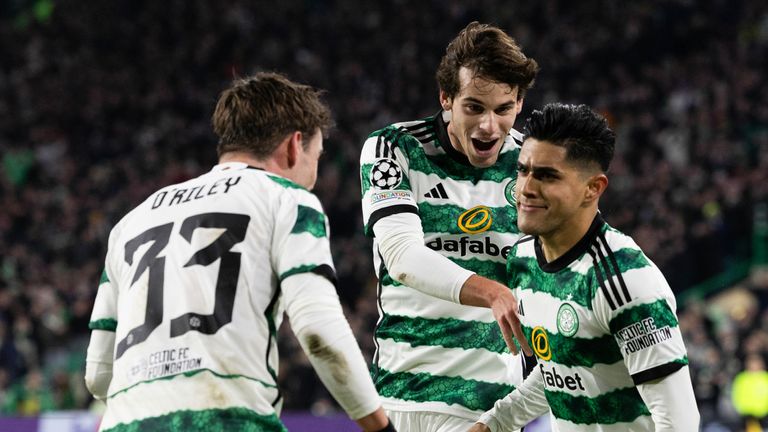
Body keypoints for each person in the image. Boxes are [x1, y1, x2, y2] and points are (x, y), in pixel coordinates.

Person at [85, 72, 394, 432]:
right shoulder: (287, 199)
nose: (314, 174)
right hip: (226, 419)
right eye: (317, 156)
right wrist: (380, 427)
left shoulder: (131, 222)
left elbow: (98, 374)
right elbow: (319, 331)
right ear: (295, 145)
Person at [470, 103, 700, 431]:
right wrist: (493, 423)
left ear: (593, 188)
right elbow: (561, 369)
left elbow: (680, 422)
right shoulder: (523, 258)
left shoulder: (625, 280)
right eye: (523, 170)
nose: (526, 188)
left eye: (547, 176)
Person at [359, 22, 539, 431]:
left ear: (520, 103)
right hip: (398, 397)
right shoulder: (395, 148)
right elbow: (402, 257)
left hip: (484, 409)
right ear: (446, 98)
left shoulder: (531, 165)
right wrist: (492, 291)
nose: (489, 126)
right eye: (474, 107)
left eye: (503, 109)